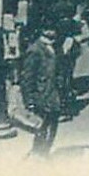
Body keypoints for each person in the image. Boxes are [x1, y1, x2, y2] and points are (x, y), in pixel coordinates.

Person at [19, 24, 65, 157]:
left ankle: (43, 152)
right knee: (42, 127)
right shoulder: (35, 50)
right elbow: (27, 78)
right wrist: (29, 100)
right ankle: (39, 153)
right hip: (41, 95)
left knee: (52, 125)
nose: (52, 32)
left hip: (52, 94)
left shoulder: (54, 46)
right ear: (43, 31)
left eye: (53, 29)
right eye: (49, 29)